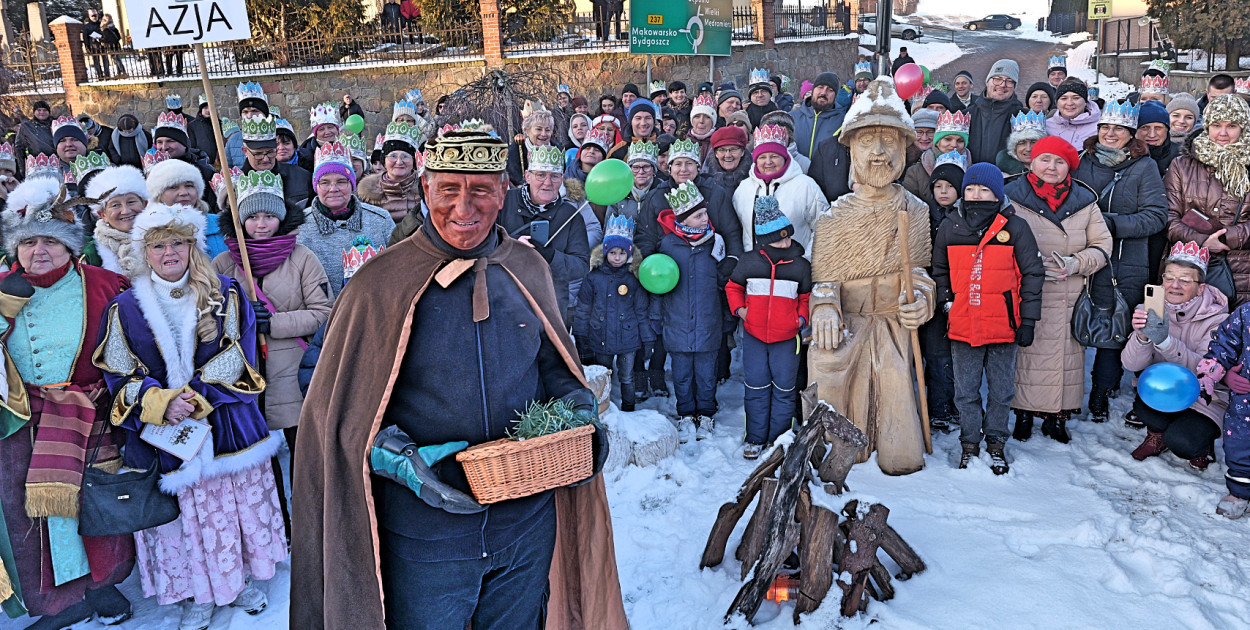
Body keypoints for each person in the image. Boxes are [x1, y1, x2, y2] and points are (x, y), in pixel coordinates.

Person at [290, 124, 627, 630]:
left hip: (526, 525)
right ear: (426, 190)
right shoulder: (378, 284)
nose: (463, 209)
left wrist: (579, 408)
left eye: (481, 191)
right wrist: (400, 459)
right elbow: (333, 407)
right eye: (448, 189)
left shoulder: (527, 267)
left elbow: (556, 366)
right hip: (427, 538)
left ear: (504, 193)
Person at [96, 200, 285, 630]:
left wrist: (194, 398)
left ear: (192, 246)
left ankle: (237, 583)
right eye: (159, 246)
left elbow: (239, 355)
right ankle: (201, 594)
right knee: (181, 520)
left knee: (228, 511)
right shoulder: (125, 308)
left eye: (178, 244)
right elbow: (118, 371)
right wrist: (160, 403)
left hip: (224, 427)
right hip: (163, 437)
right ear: (145, 253)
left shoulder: (226, 292)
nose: (169, 254)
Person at [0, 178, 134, 629]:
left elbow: (134, 344)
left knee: (97, 503)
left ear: (71, 246)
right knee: (34, 515)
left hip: (90, 416)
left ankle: (102, 584)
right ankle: (58, 600)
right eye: (29, 242)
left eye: (51, 242)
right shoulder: (1, 290)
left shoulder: (104, 283)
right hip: (25, 422)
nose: (40, 251)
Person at [807, 78, 936, 476]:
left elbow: (919, 272)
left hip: (891, 323)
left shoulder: (913, 209)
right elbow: (823, 280)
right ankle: (833, 450)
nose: (879, 152)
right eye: (866, 142)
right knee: (826, 360)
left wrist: (922, 300)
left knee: (896, 387)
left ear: (904, 149)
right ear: (851, 149)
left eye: (889, 141)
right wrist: (826, 306)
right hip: (848, 321)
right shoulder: (834, 216)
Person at [212, 170, 331, 534]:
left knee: (303, 455)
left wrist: (273, 324)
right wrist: (240, 318)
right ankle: (273, 524)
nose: (261, 224)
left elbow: (323, 312)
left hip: (292, 375)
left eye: (268, 216)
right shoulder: (223, 264)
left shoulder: (302, 257)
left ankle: (308, 523)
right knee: (256, 460)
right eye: (252, 216)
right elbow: (208, 318)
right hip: (244, 377)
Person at [933, 163, 1045, 474]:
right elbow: (940, 272)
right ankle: (969, 443)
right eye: (970, 189)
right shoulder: (950, 226)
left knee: (1001, 390)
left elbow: (1032, 274)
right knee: (965, 391)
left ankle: (996, 442)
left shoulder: (1016, 227)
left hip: (1003, 325)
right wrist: (947, 304)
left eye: (984, 190)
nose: (976, 195)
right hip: (963, 324)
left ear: (997, 193)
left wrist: (1028, 320)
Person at [1004, 135, 1112, 442]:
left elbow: (1103, 244)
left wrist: (1076, 263)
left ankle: (1058, 417)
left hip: (1070, 293)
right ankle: (1023, 414)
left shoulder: (1085, 200)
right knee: (1027, 355)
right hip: (1026, 290)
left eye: (1060, 161)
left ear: (1070, 166)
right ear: (1032, 161)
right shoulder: (1011, 195)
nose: (1052, 167)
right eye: (1045, 159)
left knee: (1067, 359)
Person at [1073, 100, 1168, 423]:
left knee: (1113, 331)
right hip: (1085, 257)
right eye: (1105, 128)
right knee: (1073, 326)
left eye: (1118, 129)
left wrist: (1111, 225)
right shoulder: (1083, 161)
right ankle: (1066, 394)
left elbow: (1156, 217)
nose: (1110, 134)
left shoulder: (1144, 167)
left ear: (1131, 135)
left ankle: (1101, 393)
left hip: (1125, 261)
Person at [1124, 242, 1228, 472]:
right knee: (1146, 408)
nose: (1174, 285)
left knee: (1182, 441)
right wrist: (1141, 337)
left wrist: (1165, 342)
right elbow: (1130, 364)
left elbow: (1204, 369)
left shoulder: (1218, 319)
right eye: (1169, 277)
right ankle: (1157, 435)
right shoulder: (1151, 308)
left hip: (1204, 398)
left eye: (1185, 280)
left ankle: (1202, 446)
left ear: (1201, 288)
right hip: (1162, 389)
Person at [726, 196, 811, 459]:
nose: (785, 244)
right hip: (754, 336)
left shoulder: (800, 265)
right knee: (756, 388)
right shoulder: (750, 262)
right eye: (778, 240)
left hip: (787, 339)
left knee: (785, 390)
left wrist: (800, 320)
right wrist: (741, 310)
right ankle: (754, 437)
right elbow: (733, 287)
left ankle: (779, 440)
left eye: (787, 238)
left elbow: (807, 297)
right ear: (764, 240)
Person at [655, 181, 730, 443]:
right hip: (677, 322)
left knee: (707, 374)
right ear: (684, 218)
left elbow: (724, 281)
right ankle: (686, 414)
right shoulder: (668, 245)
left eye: (705, 213)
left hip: (709, 321)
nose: (705, 219)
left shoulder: (715, 243)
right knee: (682, 374)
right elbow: (659, 282)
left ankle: (706, 413)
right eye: (698, 216)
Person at [1165, 94, 1250, 306]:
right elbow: (1167, 216)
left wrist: (1225, 238)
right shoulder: (1181, 165)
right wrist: (1202, 242)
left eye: (1231, 125)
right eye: (1216, 125)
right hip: (1187, 270)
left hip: (1242, 273)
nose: (1222, 133)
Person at [500, 144, 590, 320]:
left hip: (551, 307)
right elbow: (482, 244)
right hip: (506, 301)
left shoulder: (570, 215)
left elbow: (581, 266)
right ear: (528, 176)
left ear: (562, 178)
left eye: (554, 176)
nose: (548, 183)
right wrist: (512, 246)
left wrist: (550, 257)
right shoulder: (503, 203)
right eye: (541, 175)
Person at [574, 215, 652, 412]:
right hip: (600, 336)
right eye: (613, 253)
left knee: (627, 376)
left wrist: (647, 337)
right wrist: (581, 334)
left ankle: (629, 408)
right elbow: (583, 308)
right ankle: (604, 409)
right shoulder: (593, 277)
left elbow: (641, 310)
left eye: (622, 253)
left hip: (628, 338)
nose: (617, 258)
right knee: (603, 376)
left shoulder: (634, 279)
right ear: (606, 252)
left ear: (628, 254)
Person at [300, 140, 394, 296]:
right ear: (316, 187)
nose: (333, 189)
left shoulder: (380, 221)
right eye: (325, 182)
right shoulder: (301, 227)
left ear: (352, 184)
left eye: (341, 181)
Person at [919, 151, 967, 433]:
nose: (944, 191)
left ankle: (955, 405)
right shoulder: (923, 215)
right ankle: (937, 406)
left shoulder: (967, 217)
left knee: (958, 355)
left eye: (950, 186)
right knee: (936, 354)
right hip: (932, 295)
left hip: (960, 293)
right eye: (939, 186)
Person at [732, 124, 825, 256]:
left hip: (795, 268)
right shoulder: (743, 189)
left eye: (774, 156)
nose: (768, 162)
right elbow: (739, 231)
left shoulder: (806, 185)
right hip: (755, 270)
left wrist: (807, 259)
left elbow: (823, 228)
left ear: (784, 157)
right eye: (762, 157)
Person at [240, 115, 313, 216]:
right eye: (258, 154)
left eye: (270, 152)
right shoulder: (235, 184)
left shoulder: (303, 176)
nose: (265, 159)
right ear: (245, 151)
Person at [86, 164, 147, 275]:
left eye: (131, 202)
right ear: (102, 214)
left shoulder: (167, 237)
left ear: (145, 204)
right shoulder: (91, 252)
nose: (126, 211)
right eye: (115, 205)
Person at [357, 122, 424, 223]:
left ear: (413, 160)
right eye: (393, 156)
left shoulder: (424, 189)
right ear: (384, 160)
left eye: (405, 156)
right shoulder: (367, 193)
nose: (399, 162)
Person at [903, 111, 971, 205]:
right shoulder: (916, 172)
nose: (954, 145)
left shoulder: (973, 171)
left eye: (960, 141)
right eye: (948, 139)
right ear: (937, 142)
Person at [152, 113, 218, 210]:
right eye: (159, 142)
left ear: (184, 144)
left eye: (170, 141)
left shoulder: (205, 172)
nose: (164, 147)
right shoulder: (154, 171)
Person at [968, 59, 1026, 163]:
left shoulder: (1022, 117)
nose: (1003, 84)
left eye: (1009, 81)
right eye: (997, 79)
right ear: (988, 82)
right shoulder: (967, 115)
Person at [506, 102, 555, 186]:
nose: (543, 134)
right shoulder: (516, 151)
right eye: (539, 129)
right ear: (526, 131)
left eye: (547, 130)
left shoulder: (557, 148)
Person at [225, 82, 270, 169]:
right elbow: (227, 172)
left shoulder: (277, 136)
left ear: (264, 114)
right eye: (245, 112)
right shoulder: (233, 141)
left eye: (255, 111)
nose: (249, 116)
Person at [1046, 80, 1101, 149]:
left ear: (1085, 101)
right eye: (1064, 98)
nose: (1069, 103)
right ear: (1057, 102)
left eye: (1076, 98)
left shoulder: (1100, 128)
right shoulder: (1046, 127)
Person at [997, 111, 1048, 176]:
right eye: (1022, 143)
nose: (1028, 148)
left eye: (1033, 142)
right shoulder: (1002, 177)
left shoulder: (1052, 173)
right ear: (1014, 148)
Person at [703, 125, 751, 191]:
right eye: (722, 150)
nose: (728, 155)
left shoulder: (755, 180)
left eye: (733, 149)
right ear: (716, 154)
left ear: (742, 152)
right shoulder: (705, 183)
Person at [685, 94, 718, 160]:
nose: (701, 121)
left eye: (707, 117)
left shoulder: (719, 145)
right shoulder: (683, 146)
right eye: (697, 116)